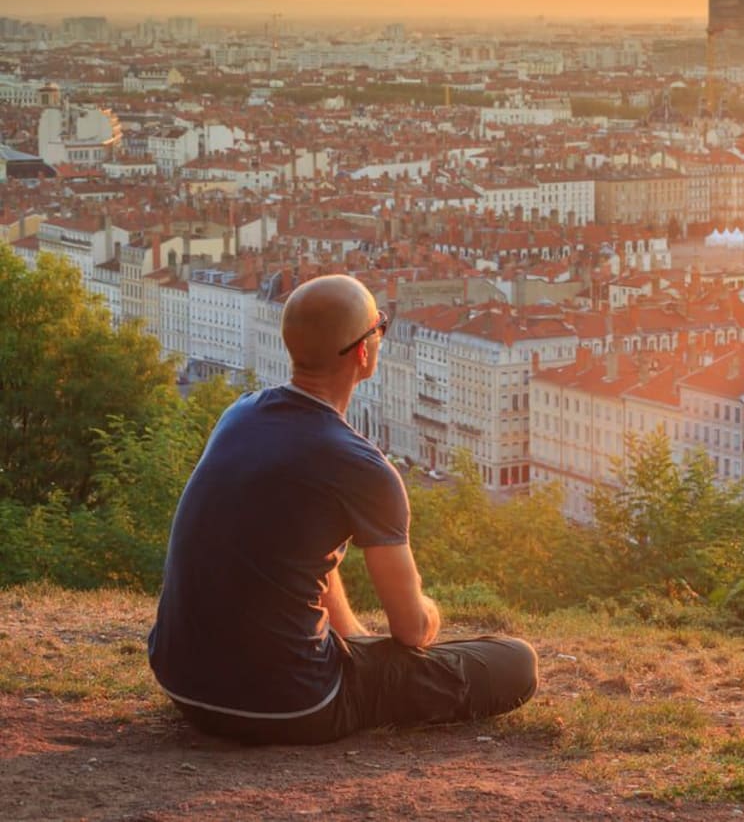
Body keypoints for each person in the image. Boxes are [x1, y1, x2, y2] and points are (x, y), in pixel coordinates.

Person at [148, 274, 537, 745]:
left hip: (183, 684)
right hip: (292, 702)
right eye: (381, 326)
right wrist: (429, 614)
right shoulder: (362, 467)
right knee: (515, 661)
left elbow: (296, 548)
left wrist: (353, 636)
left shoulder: (239, 414)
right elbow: (412, 631)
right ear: (363, 352)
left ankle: (344, 650)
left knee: (333, 599)